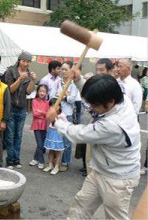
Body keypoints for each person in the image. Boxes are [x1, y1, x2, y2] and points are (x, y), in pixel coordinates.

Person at [47, 74, 141, 220]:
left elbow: (80, 134)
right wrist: (78, 80)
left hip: (118, 178)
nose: (91, 107)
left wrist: (56, 122)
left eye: (94, 105)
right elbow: (96, 92)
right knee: (80, 206)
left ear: (110, 102)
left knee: (115, 216)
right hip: (100, 170)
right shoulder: (120, 97)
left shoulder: (113, 125)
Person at [4, 51, 36, 169]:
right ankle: (9, 160)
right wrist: (19, 79)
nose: (26, 64)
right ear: (19, 60)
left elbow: (28, 92)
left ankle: (17, 160)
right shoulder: (10, 71)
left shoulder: (28, 74)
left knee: (19, 135)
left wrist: (32, 80)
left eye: (28, 62)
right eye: (24, 61)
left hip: (22, 108)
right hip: (11, 108)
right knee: (10, 135)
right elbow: (10, 90)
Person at [56, 61, 78, 172]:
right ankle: (56, 161)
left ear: (70, 70)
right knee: (56, 138)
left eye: (65, 69)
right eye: (62, 69)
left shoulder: (73, 84)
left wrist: (63, 97)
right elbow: (52, 96)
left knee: (67, 141)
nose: (63, 71)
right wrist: (64, 96)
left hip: (68, 114)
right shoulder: (58, 82)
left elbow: (72, 99)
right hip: (58, 114)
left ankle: (65, 162)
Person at [29, 84, 50, 170]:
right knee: (40, 144)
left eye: (44, 91)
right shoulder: (34, 101)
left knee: (41, 145)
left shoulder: (47, 102)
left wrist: (40, 112)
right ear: (37, 91)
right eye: (40, 91)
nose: (42, 93)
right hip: (37, 125)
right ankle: (41, 161)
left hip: (45, 125)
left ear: (46, 93)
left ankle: (35, 159)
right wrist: (43, 113)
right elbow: (35, 114)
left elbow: (48, 114)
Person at [43, 98, 66, 175]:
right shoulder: (50, 114)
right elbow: (48, 123)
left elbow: (66, 125)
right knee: (50, 149)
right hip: (51, 133)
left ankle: (57, 166)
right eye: (52, 106)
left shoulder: (62, 115)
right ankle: (50, 165)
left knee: (57, 151)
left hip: (57, 134)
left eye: (56, 106)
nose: (54, 108)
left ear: (59, 106)